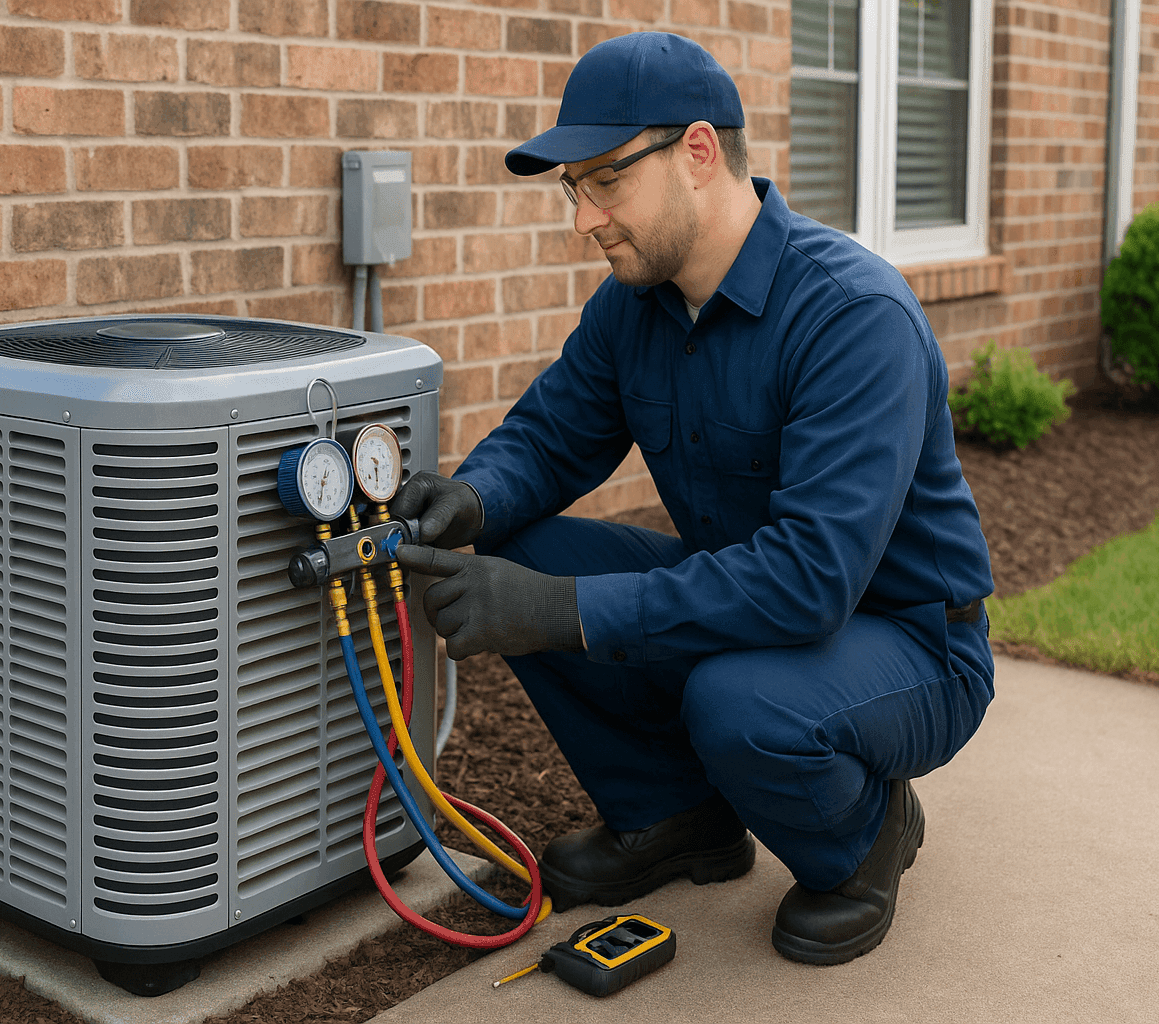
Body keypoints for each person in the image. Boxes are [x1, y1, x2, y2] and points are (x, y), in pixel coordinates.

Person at [390, 31, 995, 966]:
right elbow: (551, 438)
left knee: (739, 699)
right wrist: (470, 499)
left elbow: (807, 582)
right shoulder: (636, 305)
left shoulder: (851, 317)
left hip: (909, 639)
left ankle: (867, 835)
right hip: (758, 603)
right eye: (572, 189)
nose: (583, 218)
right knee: (525, 557)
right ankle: (677, 818)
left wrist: (565, 613)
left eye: (604, 182)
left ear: (699, 153)